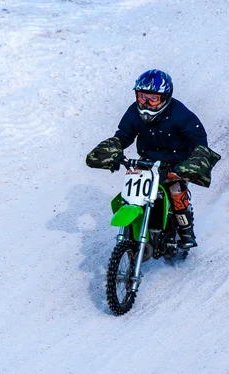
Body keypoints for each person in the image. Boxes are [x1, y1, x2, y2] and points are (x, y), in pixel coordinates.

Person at [86, 69, 221, 249]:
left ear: (165, 97)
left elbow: (198, 139)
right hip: (147, 161)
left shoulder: (180, 114)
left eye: (153, 98)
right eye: (142, 97)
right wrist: (112, 149)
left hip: (176, 163)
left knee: (176, 191)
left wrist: (195, 160)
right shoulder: (134, 111)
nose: (146, 103)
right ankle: (134, 225)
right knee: (131, 189)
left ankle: (186, 232)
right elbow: (124, 135)